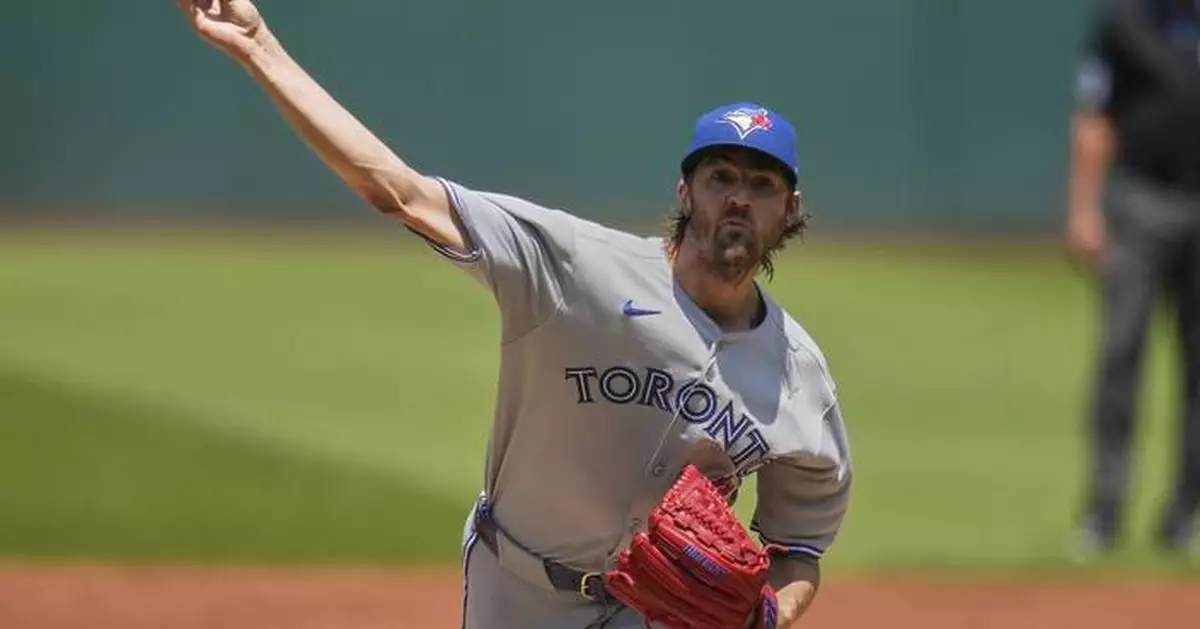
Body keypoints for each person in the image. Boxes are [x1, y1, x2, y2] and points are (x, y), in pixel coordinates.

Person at [174, 1, 853, 626]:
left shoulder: (801, 377)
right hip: (517, 591)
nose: (738, 198)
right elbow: (398, 191)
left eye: (761, 185)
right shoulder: (574, 265)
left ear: (790, 210)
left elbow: (799, 545)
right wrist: (261, 47)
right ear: (685, 190)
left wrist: (773, 615)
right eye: (720, 177)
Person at [1067, 0, 1200, 557]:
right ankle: (1104, 513)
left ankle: (1185, 518)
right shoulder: (1126, 22)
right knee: (1120, 357)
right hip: (1144, 200)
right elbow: (1094, 117)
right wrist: (1084, 207)